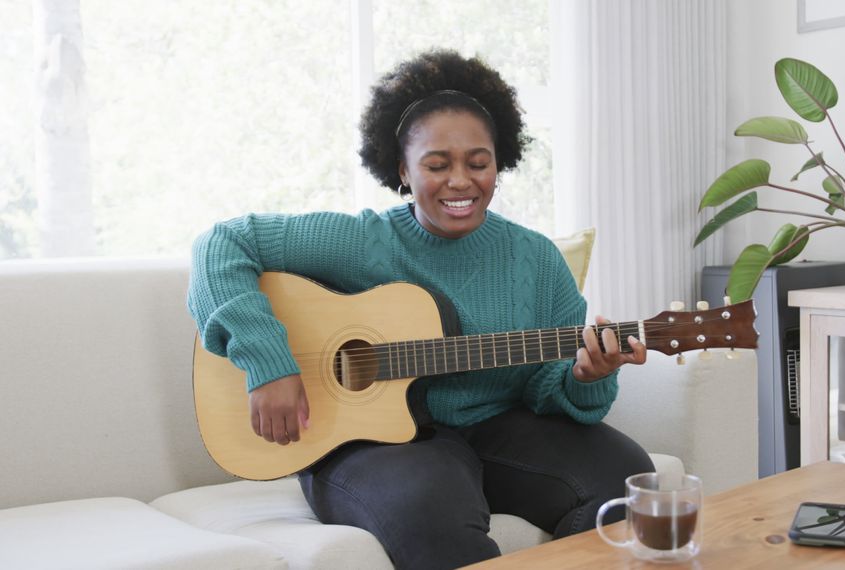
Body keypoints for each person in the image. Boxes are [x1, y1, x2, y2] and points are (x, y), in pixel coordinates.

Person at [187, 49, 653, 569]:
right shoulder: (362, 240)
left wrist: (587, 374)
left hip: (494, 429)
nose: (461, 182)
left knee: (629, 479)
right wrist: (268, 362)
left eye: (479, 163)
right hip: (368, 443)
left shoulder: (535, 258)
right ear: (402, 171)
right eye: (437, 165)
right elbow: (221, 243)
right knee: (433, 508)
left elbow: (550, 385)